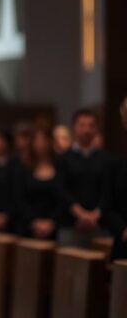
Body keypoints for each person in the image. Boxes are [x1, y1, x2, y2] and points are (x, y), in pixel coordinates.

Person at [56, 109, 110, 247]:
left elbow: (108, 190)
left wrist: (94, 215)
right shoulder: (63, 158)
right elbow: (61, 190)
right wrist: (80, 214)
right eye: (82, 125)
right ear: (74, 127)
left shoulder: (105, 158)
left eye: (91, 126)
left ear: (97, 129)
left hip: (99, 224)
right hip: (70, 224)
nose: (86, 130)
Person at [14, 125, 62, 239]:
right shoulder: (24, 169)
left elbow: (63, 198)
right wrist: (34, 222)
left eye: (44, 140)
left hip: (55, 227)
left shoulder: (60, 167)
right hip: (28, 227)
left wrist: (52, 222)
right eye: (37, 140)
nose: (41, 144)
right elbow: (19, 198)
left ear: (50, 142)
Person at [100, 97, 127, 260]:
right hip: (124, 248)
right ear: (125, 124)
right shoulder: (114, 166)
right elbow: (106, 208)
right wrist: (123, 230)